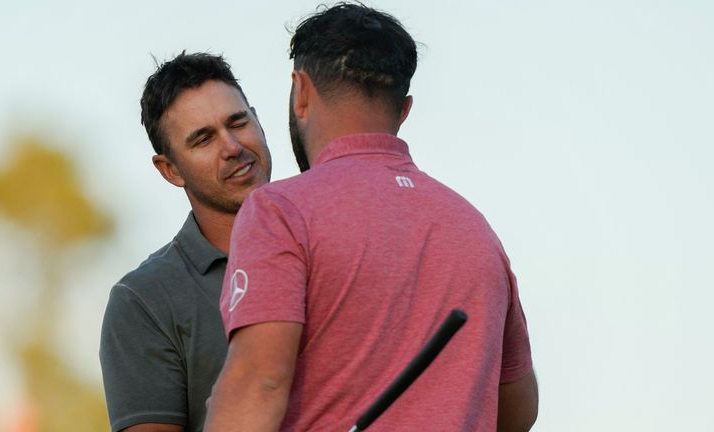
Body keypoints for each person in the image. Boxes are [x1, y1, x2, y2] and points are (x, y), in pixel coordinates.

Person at [205, 4, 538, 432]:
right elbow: (518, 407)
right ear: (404, 109)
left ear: (301, 91)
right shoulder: (474, 228)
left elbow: (260, 382)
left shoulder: (280, 210)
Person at [99, 52, 271, 432]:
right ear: (171, 169)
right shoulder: (144, 299)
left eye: (238, 122)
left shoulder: (331, 239)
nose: (232, 146)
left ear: (258, 120)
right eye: (204, 139)